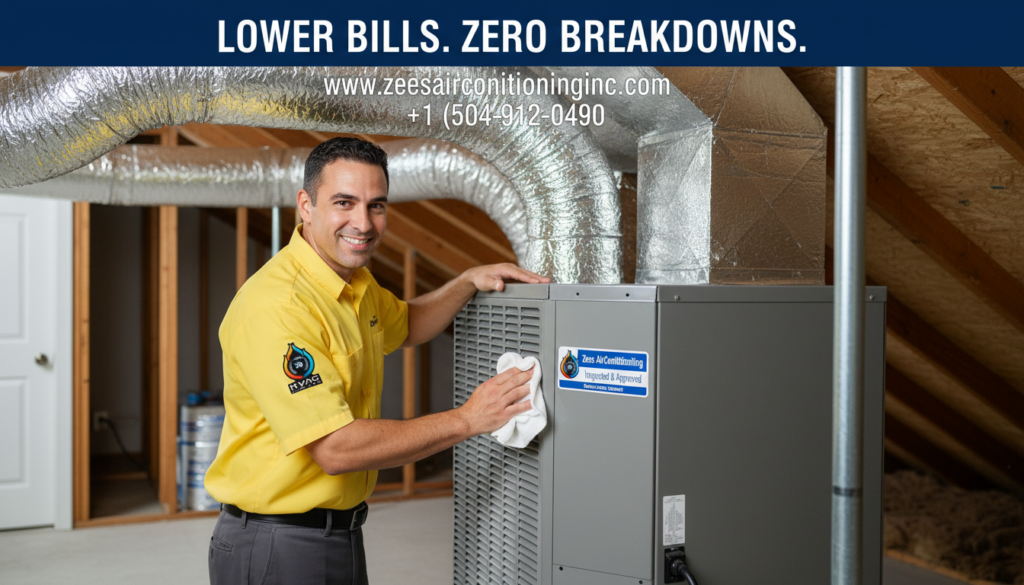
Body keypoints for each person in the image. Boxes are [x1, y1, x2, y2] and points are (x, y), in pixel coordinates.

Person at [204, 137, 550, 585]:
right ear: (305, 206)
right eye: (344, 202)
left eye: (377, 205)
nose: (363, 223)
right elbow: (335, 447)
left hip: (339, 533)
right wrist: (467, 420)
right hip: (277, 544)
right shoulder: (280, 307)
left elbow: (409, 322)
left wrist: (466, 282)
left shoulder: (355, 283)